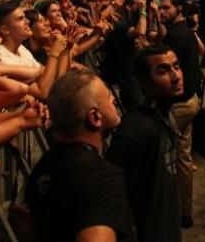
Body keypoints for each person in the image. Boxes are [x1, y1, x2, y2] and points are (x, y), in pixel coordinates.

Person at [25, 70, 137, 241]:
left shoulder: (43, 166)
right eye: (108, 97)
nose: (113, 99)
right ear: (95, 117)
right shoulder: (102, 178)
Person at [106, 45, 182, 242]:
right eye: (163, 71)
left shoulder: (162, 116)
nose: (176, 76)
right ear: (144, 82)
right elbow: (115, 197)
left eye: (177, 66)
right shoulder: (136, 129)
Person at [158, 0, 203, 229]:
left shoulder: (176, 35)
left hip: (180, 106)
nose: (161, 12)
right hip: (191, 101)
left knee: (176, 159)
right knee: (183, 157)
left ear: (178, 8)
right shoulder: (185, 31)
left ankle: (179, 212)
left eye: (165, 8)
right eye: (160, 8)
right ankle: (183, 211)